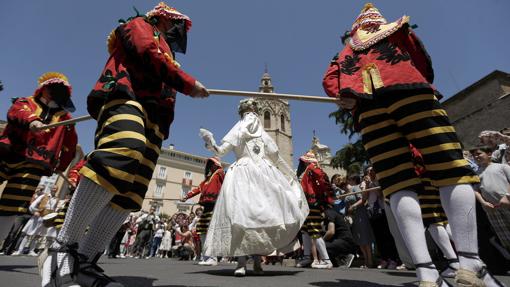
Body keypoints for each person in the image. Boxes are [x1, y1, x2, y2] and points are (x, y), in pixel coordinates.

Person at [323, 3, 502, 286]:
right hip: (410, 93)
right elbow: (422, 63)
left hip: (369, 111)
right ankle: (470, 262)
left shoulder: (345, 51)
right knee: (451, 171)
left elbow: (331, 81)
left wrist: (347, 97)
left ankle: (425, 271)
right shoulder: (397, 29)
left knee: (397, 184)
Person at [40, 3, 209, 286]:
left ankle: (84, 262)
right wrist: (187, 83)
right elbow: (145, 52)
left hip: (155, 119)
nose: (177, 32)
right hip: (126, 97)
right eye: (174, 25)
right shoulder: (140, 26)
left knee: (130, 193)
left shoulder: (166, 50)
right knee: (123, 150)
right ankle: (60, 252)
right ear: (163, 18)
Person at [199, 98, 308, 277]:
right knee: (241, 216)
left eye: (253, 114)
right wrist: (211, 143)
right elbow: (221, 151)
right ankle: (241, 262)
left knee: (261, 216)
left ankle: (257, 262)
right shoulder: (237, 131)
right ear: (243, 116)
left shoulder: (263, 135)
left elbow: (276, 157)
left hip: (264, 175)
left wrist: (290, 174)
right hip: (242, 175)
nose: (251, 117)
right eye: (247, 114)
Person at [0, 72, 77, 245]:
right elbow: (15, 112)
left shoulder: (66, 120)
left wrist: (61, 165)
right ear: (43, 89)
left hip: (33, 164)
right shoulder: (25, 102)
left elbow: (69, 148)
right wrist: (32, 120)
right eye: (53, 90)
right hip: (7, 152)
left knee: (12, 205)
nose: (55, 95)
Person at [181, 157, 225, 266]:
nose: (210, 166)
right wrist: (186, 196)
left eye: (212, 163)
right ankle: (206, 257)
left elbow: (226, 183)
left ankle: (213, 258)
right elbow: (197, 189)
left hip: (215, 205)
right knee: (202, 231)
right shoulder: (206, 180)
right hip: (206, 207)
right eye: (209, 164)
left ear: (217, 164)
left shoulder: (219, 172)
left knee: (211, 231)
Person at [295, 151, 335, 269]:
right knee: (305, 231)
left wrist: (326, 198)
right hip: (306, 204)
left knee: (314, 231)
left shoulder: (313, 168)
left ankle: (327, 261)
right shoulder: (307, 171)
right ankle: (307, 258)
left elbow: (324, 181)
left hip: (313, 204)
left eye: (302, 161)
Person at [472, 146, 510, 252]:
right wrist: (483, 203)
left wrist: (507, 196)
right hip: (492, 210)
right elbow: (475, 191)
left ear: (489, 154)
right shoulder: (476, 174)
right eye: (474, 155)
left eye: (479, 153)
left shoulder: (502, 167)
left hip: (508, 204)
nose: (476, 156)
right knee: (506, 239)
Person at [344, 174, 375, 268]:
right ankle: (366, 260)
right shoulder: (350, 189)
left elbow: (362, 199)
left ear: (353, 179)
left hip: (360, 213)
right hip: (354, 216)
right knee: (359, 238)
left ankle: (369, 261)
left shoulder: (357, 187)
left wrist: (353, 206)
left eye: (349, 179)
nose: (348, 181)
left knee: (365, 236)